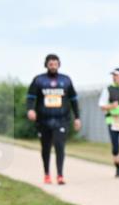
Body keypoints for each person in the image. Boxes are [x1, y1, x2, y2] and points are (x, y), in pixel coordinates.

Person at [26, 54, 81, 184]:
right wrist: (30, 109)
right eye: (51, 64)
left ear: (59, 65)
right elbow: (31, 97)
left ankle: (60, 175)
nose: (53, 66)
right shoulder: (39, 80)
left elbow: (73, 100)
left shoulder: (66, 80)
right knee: (46, 148)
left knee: (59, 146)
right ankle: (47, 174)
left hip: (61, 119)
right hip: (43, 120)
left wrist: (77, 117)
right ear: (46, 65)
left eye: (55, 64)